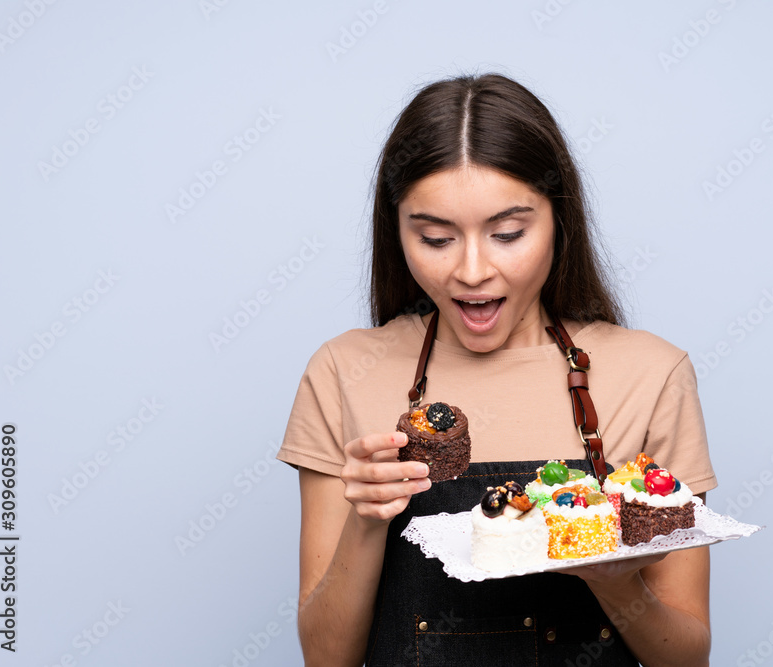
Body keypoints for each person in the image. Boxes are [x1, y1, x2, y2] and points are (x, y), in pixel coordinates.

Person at [278, 73, 717, 666]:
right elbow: (326, 658)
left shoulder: (652, 373)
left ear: (558, 220)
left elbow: (685, 659)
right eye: (436, 238)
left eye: (508, 233)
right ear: (397, 230)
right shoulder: (344, 371)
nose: (473, 270)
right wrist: (367, 520)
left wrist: (612, 579)